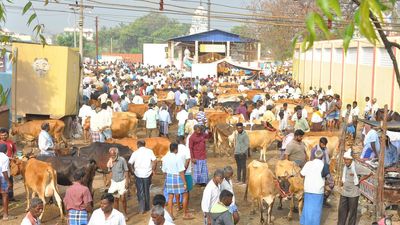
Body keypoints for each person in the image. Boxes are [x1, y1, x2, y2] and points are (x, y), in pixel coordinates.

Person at [337, 149, 373, 225]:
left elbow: (369, 172)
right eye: (345, 159)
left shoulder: (357, 167)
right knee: (341, 213)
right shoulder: (345, 167)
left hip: (353, 194)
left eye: (348, 160)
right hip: (344, 193)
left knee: (352, 214)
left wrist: (360, 180)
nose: (346, 161)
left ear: (351, 160)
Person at [128, 140, 157, 213]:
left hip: (138, 174)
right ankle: (147, 207)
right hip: (148, 173)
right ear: (144, 144)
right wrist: (153, 169)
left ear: (138, 145)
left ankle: (141, 208)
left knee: (140, 191)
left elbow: (129, 163)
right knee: (146, 190)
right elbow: (155, 161)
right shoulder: (149, 151)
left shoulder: (135, 153)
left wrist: (132, 172)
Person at [300, 149, 325, 225]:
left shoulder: (308, 163)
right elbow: (327, 176)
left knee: (307, 208)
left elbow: (301, 175)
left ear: (314, 155)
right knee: (316, 210)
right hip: (318, 190)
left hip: (308, 189)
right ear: (322, 156)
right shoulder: (324, 165)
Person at [162, 143, 187, 220]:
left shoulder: (165, 158)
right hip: (177, 177)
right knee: (185, 194)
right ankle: (185, 213)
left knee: (170, 196)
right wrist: (185, 183)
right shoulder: (177, 158)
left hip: (169, 177)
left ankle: (171, 215)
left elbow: (164, 171)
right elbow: (181, 172)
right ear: (176, 149)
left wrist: (167, 177)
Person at [107, 147, 129, 218]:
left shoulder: (122, 160)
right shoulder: (110, 161)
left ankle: (125, 214)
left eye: (113, 155)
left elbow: (126, 170)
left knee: (123, 199)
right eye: (111, 155)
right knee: (115, 199)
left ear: (117, 154)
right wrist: (109, 180)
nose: (112, 156)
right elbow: (110, 172)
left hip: (122, 181)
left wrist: (127, 181)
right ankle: (118, 215)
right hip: (114, 182)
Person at [177, 136, 195, 220]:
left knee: (178, 191)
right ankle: (185, 212)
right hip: (185, 173)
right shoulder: (185, 149)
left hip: (176, 173)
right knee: (186, 193)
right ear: (183, 140)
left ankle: (179, 207)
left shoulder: (174, 148)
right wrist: (184, 169)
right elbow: (188, 160)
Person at [0, 128, 16, 201]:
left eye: (5, 135)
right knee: (3, 181)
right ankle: (2, 198)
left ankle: (10, 196)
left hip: (10, 164)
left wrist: (13, 158)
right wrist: (8, 158)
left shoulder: (11, 142)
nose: (4, 136)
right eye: (2, 135)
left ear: (8, 135)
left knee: (10, 180)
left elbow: (14, 151)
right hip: (1, 166)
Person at [0, 143, 12, 221]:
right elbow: (4, 171)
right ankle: (5, 215)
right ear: (6, 150)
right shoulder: (5, 158)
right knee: (5, 196)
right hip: (2, 178)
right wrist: (8, 182)